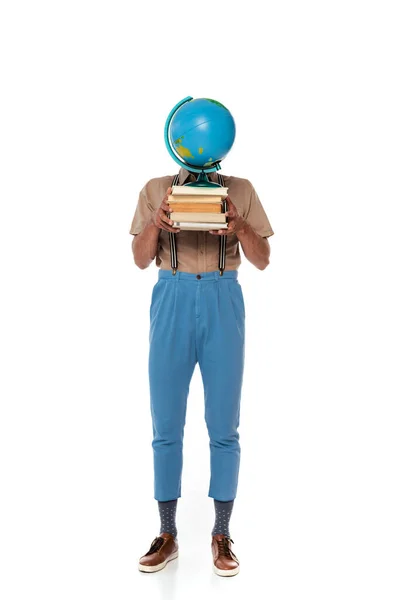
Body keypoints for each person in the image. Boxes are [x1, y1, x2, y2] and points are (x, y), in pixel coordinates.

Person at [130, 166, 274, 576]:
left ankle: (221, 533)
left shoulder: (241, 189)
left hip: (222, 294)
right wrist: (156, 224)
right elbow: (140, 260)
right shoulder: (155, 188)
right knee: (166, 425)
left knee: (224, 425)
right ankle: (167, 533)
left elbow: (263, 260)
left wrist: (240, 226)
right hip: (170, 293)